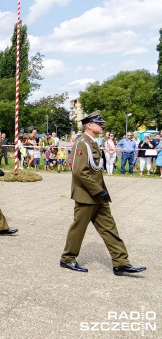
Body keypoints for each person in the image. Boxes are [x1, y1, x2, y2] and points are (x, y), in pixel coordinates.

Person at [60, 111, 146, 275]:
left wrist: (101, 191)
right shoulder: (82, 143)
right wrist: (99, 190)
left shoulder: (92, 142)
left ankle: (121, 262)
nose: (102, 126)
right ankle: (68, 258)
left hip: (98, 195)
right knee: (79, 228)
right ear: (89, 125)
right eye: (99, 123)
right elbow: (79, 172)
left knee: (109, 228)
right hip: (86, 195)